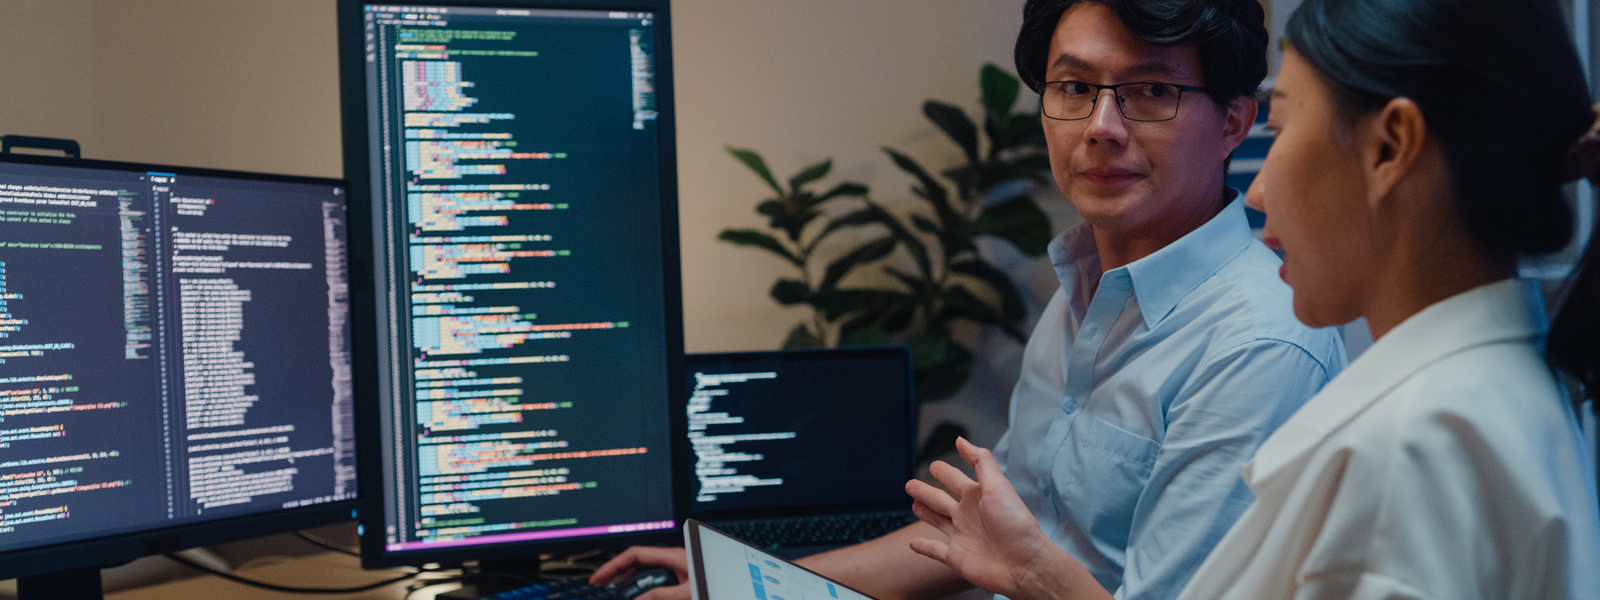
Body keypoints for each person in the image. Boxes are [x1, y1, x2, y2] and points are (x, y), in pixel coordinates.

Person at [593, 1, 1346, 598]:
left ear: (1236, 122)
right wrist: (747, 588)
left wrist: (1028, 575)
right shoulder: (1084, 288)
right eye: (1075, 88)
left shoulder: (1258, 346)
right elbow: (974, 539)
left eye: (1151, 91)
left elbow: (1016, 561)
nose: (1100, 128)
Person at [906, 0, 1600, 597]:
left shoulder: (1413, 450)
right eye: (1073, 87)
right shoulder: (1467, 402)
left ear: (1391, 148)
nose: (1260, 191)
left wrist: (1036, 576)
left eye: (1281, 132)